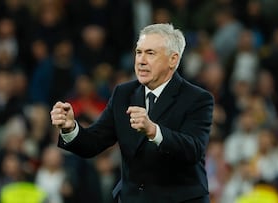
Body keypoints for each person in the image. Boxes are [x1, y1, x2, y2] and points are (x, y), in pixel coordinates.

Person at [51, 23, 214, 203]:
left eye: (150, 53)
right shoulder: (123, 93)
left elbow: (194, 150)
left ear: (173, 60)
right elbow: (94, 142)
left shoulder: (197, 98)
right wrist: (70, 128)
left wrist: (154, 131)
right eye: (138, 52)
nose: (141, 60)